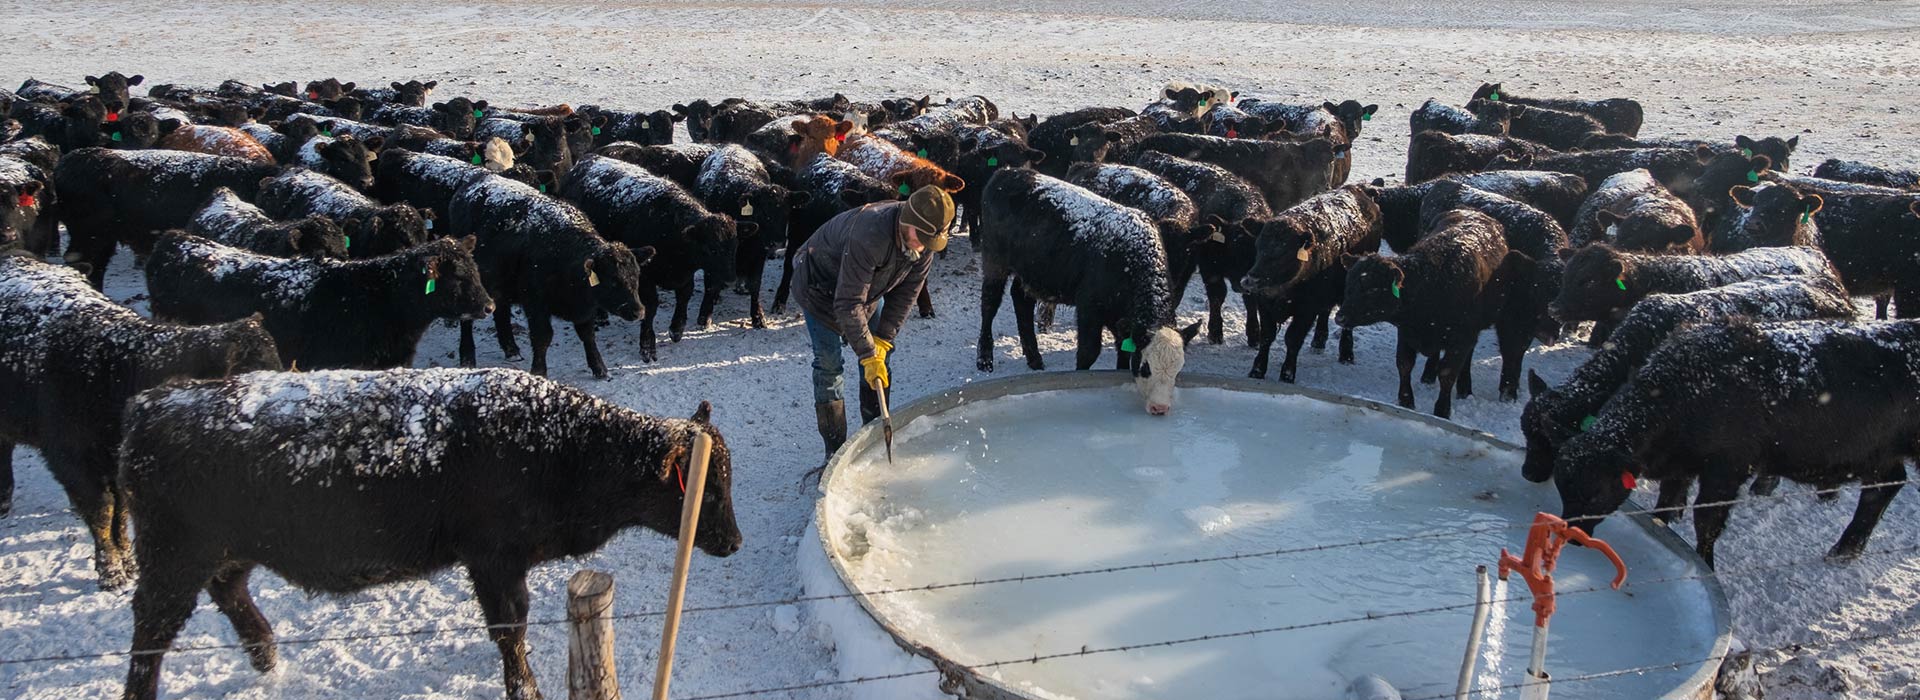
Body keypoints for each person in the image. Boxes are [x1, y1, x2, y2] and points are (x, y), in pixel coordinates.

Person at [795, 185, 955, 461]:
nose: (924, 246)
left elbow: (907, 294)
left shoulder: (924, 242)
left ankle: (872, 438)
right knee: (830, 364)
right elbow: (847, 304)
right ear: (908, 221)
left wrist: (882, 340)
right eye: (922, 238)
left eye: (931, 240)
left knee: (881, 360)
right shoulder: (870, 234)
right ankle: (834, 451)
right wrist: (868, 354)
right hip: (820, 289)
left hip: (868, 291)